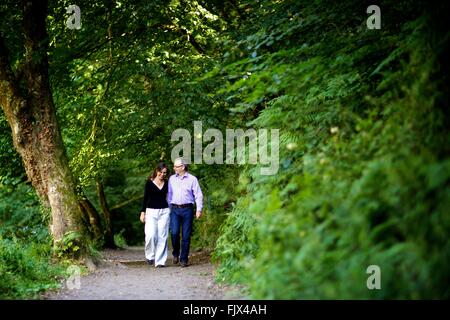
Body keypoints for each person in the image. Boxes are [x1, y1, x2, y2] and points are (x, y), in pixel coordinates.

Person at [167, 158, 203, 267]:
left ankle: (183, 259)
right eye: (174, 166)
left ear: (183, 167)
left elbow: (198, 195)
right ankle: (176, 253)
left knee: (186, 235)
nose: (174, 168)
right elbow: (169, 194)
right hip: (174, 209)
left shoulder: (192, 179)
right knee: (174, 232)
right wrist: (168, 208)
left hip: (187, 209)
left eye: (176, 166)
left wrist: (199, 209)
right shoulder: (171, 179)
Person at [140, 162, 170, 268]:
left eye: (164, 173)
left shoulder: (167, 183)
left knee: (162, 236)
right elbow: (145, 198)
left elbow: (169, 197)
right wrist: (142, 212)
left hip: (164, 211)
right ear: (156, 171)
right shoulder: (149, 182)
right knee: (151, 235)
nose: (162, 174)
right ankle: (150, 255)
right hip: (151, 211)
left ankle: (160, 261)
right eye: (160, 172)